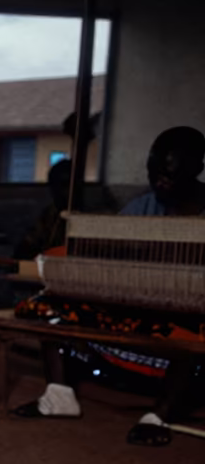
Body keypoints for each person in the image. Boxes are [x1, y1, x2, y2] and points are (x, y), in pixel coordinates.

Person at [12, 127, 204, 446]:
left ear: (197, 168)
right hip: (135, 308)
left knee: (192, 327)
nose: (159, 180)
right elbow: (108, 255)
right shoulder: (142, 208)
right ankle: (60, 396)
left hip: (187, 319)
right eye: (153, 171)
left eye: (169, 172)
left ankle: (159, 415)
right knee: (49, 305)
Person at [120, 126, 205, 216]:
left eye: (167, 180)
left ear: (197, 169)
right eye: (153, 177)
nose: (158, 185)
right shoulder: (142, 207)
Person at [14, 158, 72, 259]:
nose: (60, 191)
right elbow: (31, 241)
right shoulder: (50, 214)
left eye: (65, 185)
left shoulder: (85, 216)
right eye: (55, 185)